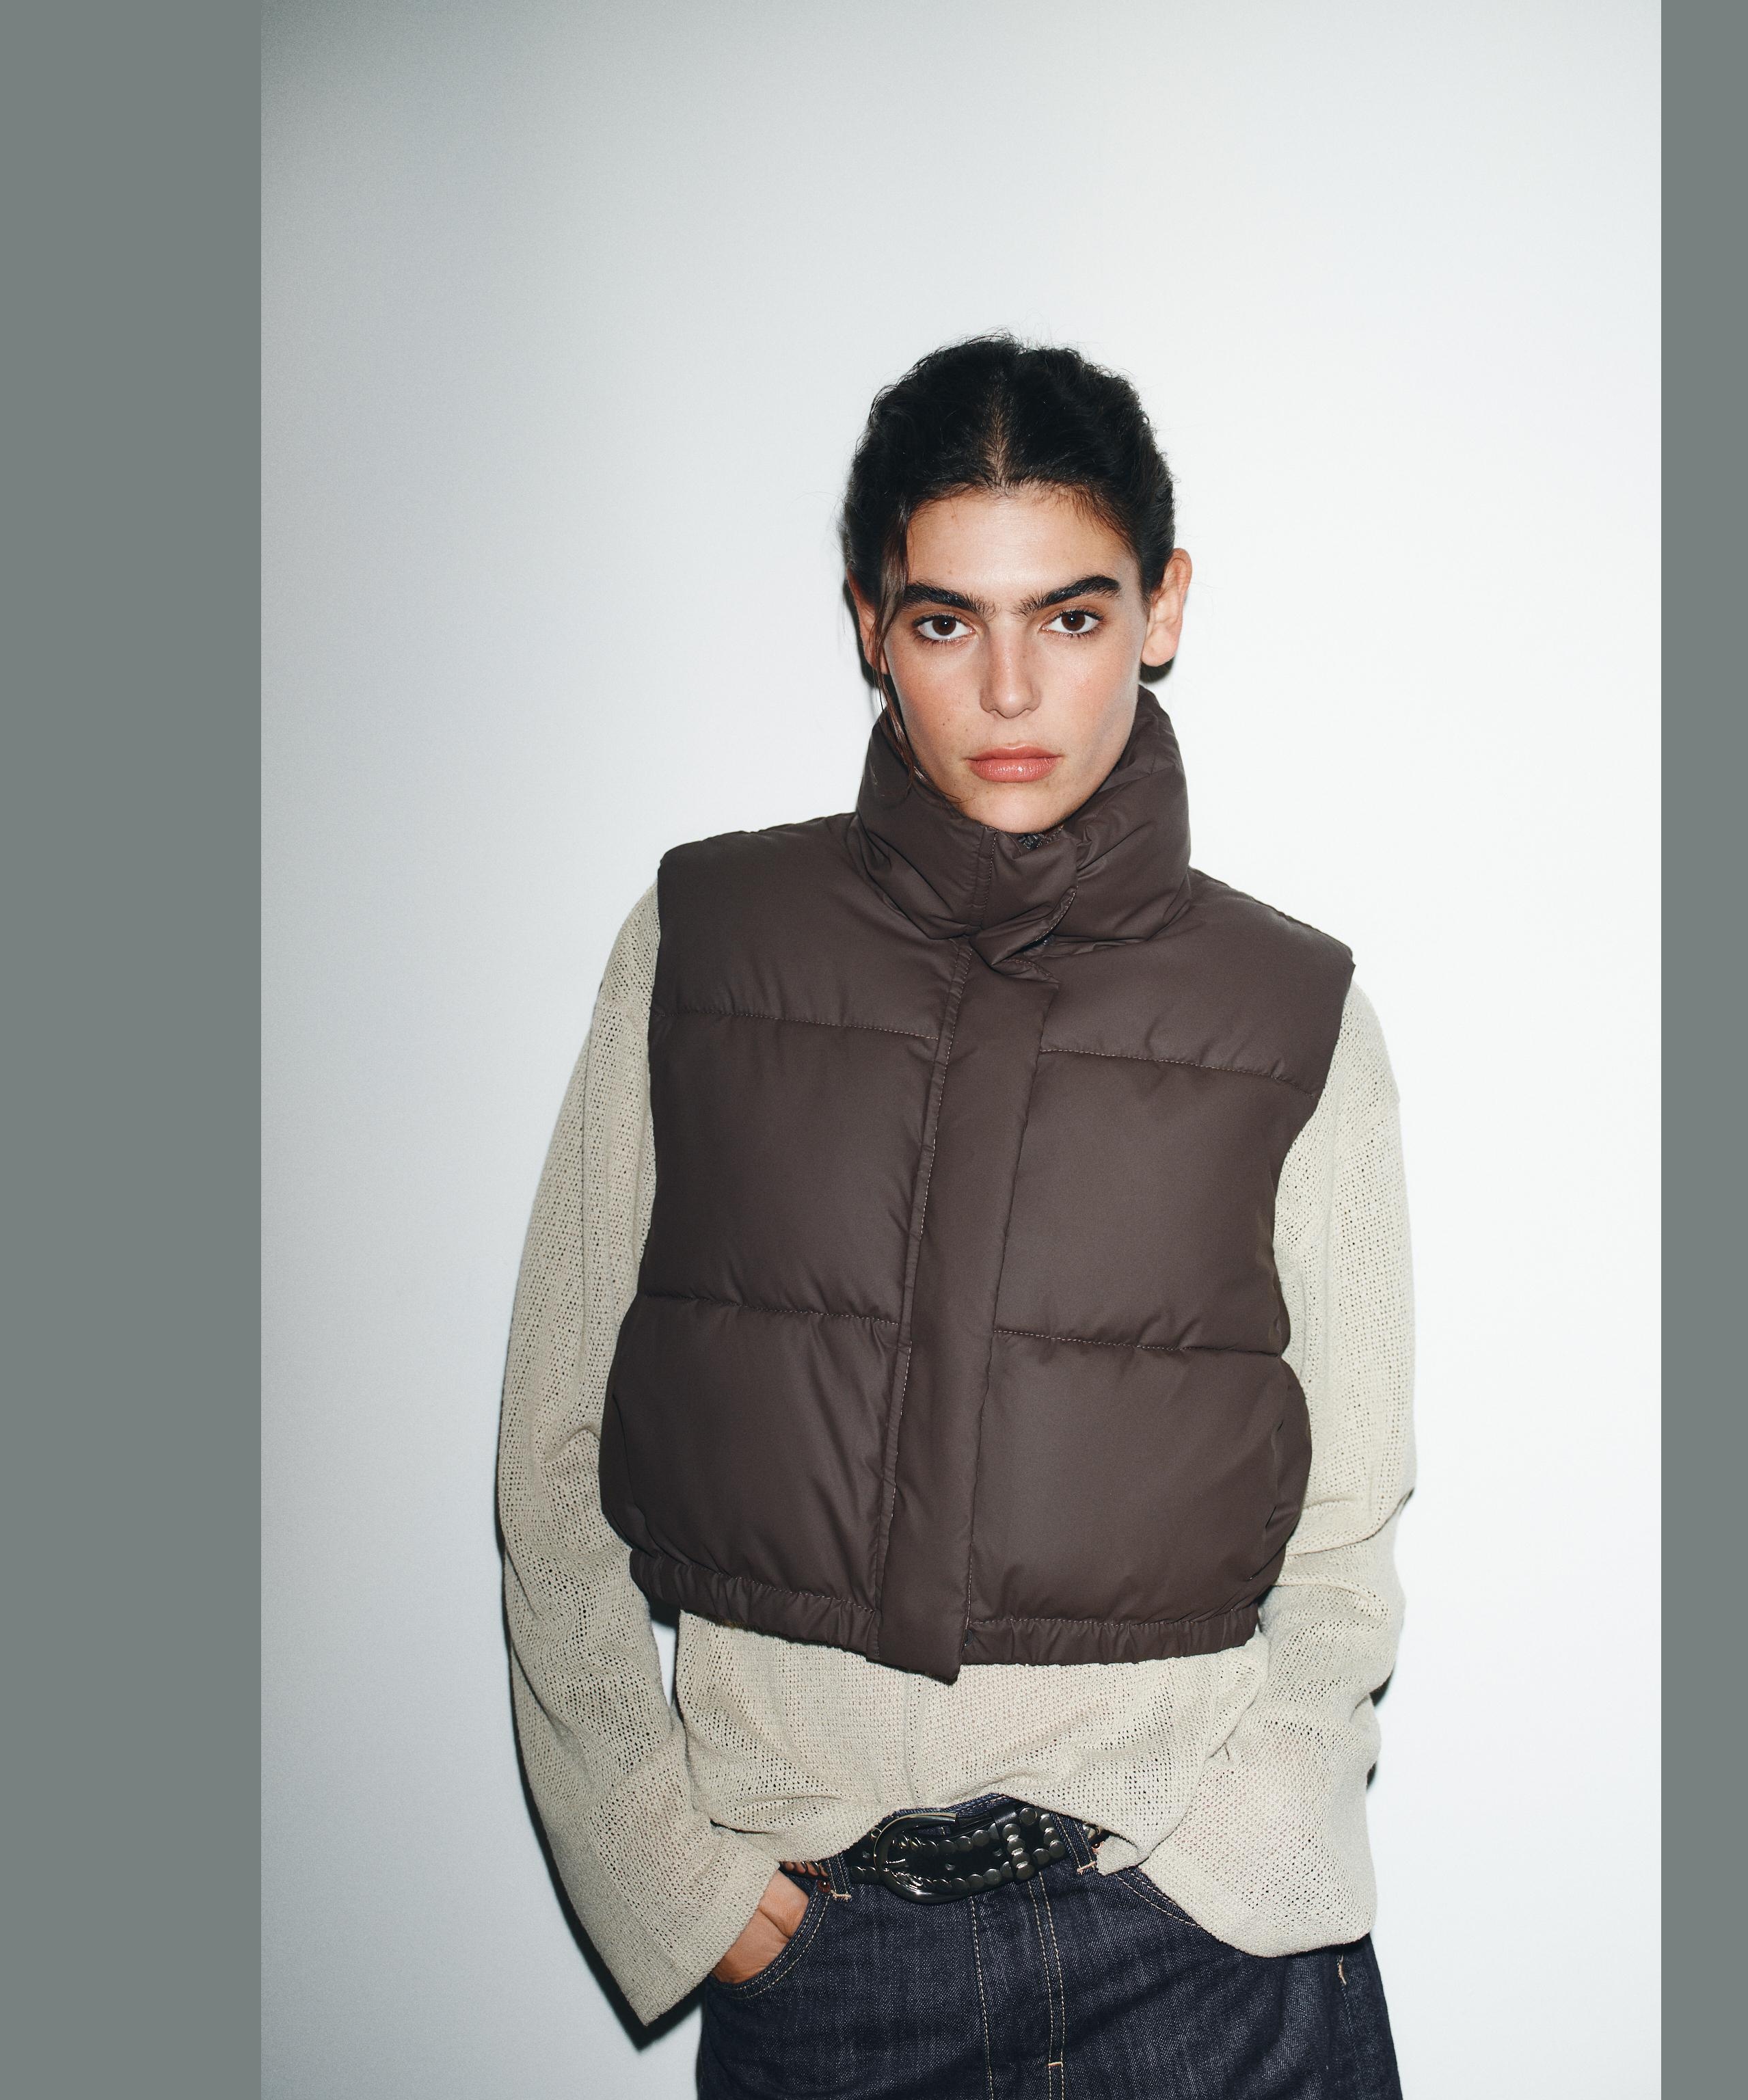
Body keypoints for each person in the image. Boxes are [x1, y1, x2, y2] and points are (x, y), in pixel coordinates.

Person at [498, 336, 1414, 2098]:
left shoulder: (1291, 1008)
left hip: (1208, 1971)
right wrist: (679, 1881)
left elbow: (1351, 1507)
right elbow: (552, 1451)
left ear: (1162, 608)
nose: (1009, 689)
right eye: (945, 622)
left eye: (1070, 616)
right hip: (830, 1977)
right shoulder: (703, 948)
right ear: (870, 623)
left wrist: (1252, 1843)